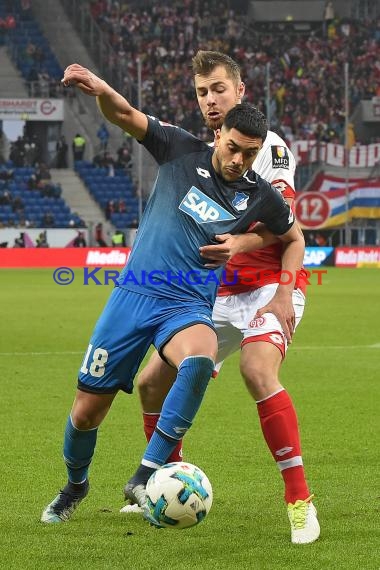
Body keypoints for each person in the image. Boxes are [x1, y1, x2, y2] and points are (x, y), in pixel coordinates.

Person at [41, 64, 303, 530]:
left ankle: (145, 474)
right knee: (86, 413)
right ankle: (74, 486)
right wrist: (102, 88)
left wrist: (258, 263)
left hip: (186, 305)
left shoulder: (259, 194)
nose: (238, 160)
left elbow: (293, 236)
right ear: (218, 133)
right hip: (133, 296)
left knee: (199, 359)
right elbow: (124, 114)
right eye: (232, 147)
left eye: (249, 153)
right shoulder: (180, 147)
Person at [124, 51, 319, 545]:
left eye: (219, 89)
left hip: (267, 291)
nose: (211, 100)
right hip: (212, 297)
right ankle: (166, 484)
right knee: (151, 385)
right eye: (202, 93)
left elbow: (285, 230)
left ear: (240, 90)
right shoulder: (203, 150)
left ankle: (300, 502)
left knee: (256, 370)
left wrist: (243, 249)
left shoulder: (266, 148)